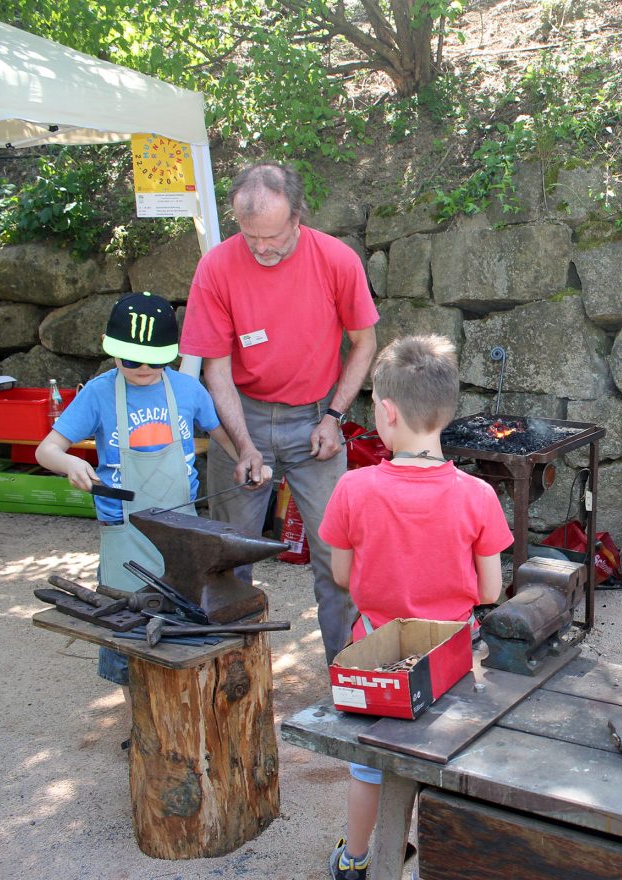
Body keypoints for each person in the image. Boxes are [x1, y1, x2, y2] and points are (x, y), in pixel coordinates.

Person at [319, 334, 511, 880]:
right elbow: (490, 591)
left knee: (369, 762)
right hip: (449, 656)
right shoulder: (477, 495)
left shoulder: (353, 490)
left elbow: (339, 575)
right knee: (442, 757)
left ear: (386, 411)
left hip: (374, 647)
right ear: (446, 412)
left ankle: (356, 860)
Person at [180, 162, 379, 664]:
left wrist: (335, 415)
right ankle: (232, 676)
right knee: (229, 556)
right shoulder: (218, 267)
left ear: (297, 219)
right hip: (243, 418)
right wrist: (241, 446)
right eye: (251, 238)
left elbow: (364, 343)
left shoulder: (335, 259)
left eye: (274, 238)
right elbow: (216, 371)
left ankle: (349, 670)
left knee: (338, 555)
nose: (263, 249)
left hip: (316, 417)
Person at [35, 292, 262, 726]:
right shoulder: (100, 394)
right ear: (110, 348)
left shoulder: (187, 389)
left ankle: (180, 715)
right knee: (126, 624)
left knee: (181, 619)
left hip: (182, 525)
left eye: (153, 362)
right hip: (124, 529)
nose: (142, 370)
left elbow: (221, 435)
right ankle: (141, 721)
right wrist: (70, 464)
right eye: (131, 360)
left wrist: (247, 457)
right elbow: (49, 449)